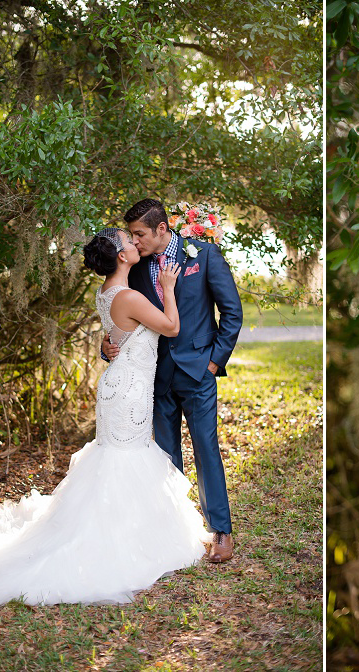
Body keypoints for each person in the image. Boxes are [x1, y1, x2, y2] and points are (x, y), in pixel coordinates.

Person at [0, 228, 209, 613]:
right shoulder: (128, 295)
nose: (134, 243)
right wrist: (169, 286)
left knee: (120, 457)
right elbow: (171, 327)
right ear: (122, 256)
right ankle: (117, 539)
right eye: (128, 240)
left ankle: (129, 530)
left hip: (123, 385)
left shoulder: (107, 292)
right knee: (124, 459)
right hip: (127, 391)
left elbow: (119, 338)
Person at [102, 199, 242, 563]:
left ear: (162, 229)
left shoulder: (204, 255)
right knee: (164, 456)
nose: (135, 242)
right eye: (131, 236)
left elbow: (232, 313)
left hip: (198, 372)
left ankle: (221, 532)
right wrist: (107, 347)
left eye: (140, 234)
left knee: (206, 449)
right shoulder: (135, 267)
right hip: (154, 377)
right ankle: (174, 530)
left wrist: (213, 362)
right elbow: (122, 315)